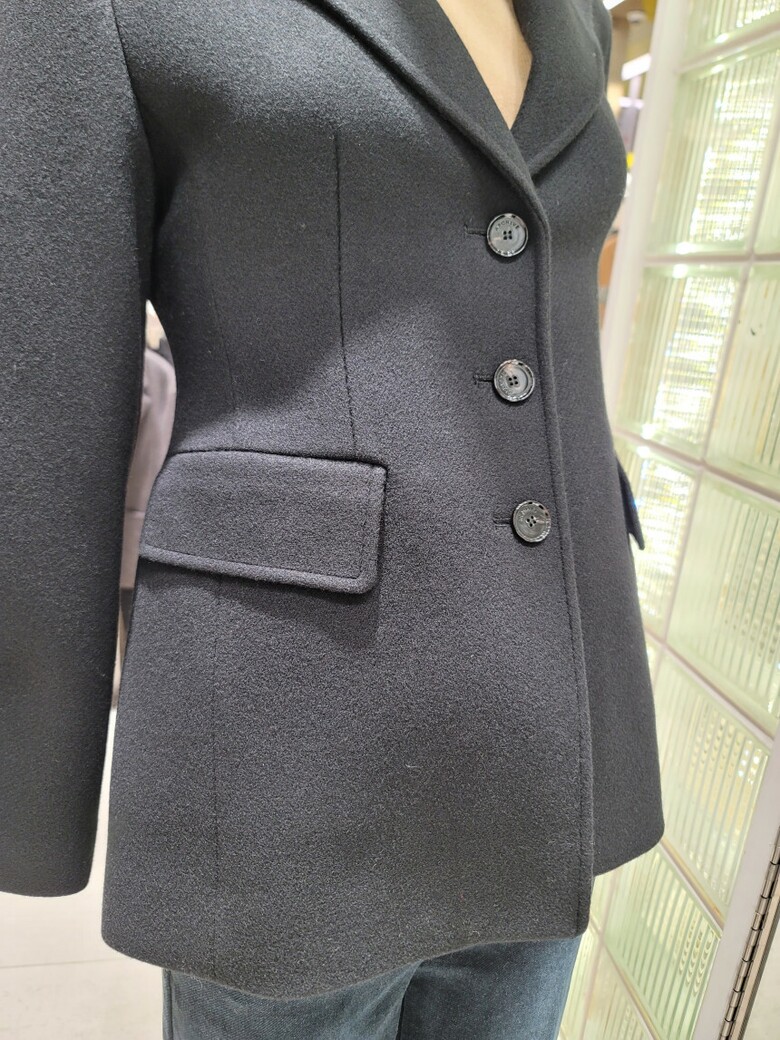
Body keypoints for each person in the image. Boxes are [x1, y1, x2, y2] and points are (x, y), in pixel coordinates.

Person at [0, 1, 664, 1037]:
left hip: (548, 729)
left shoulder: (575, 10)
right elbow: (44, 413)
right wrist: (31, 792)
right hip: (289, 755)